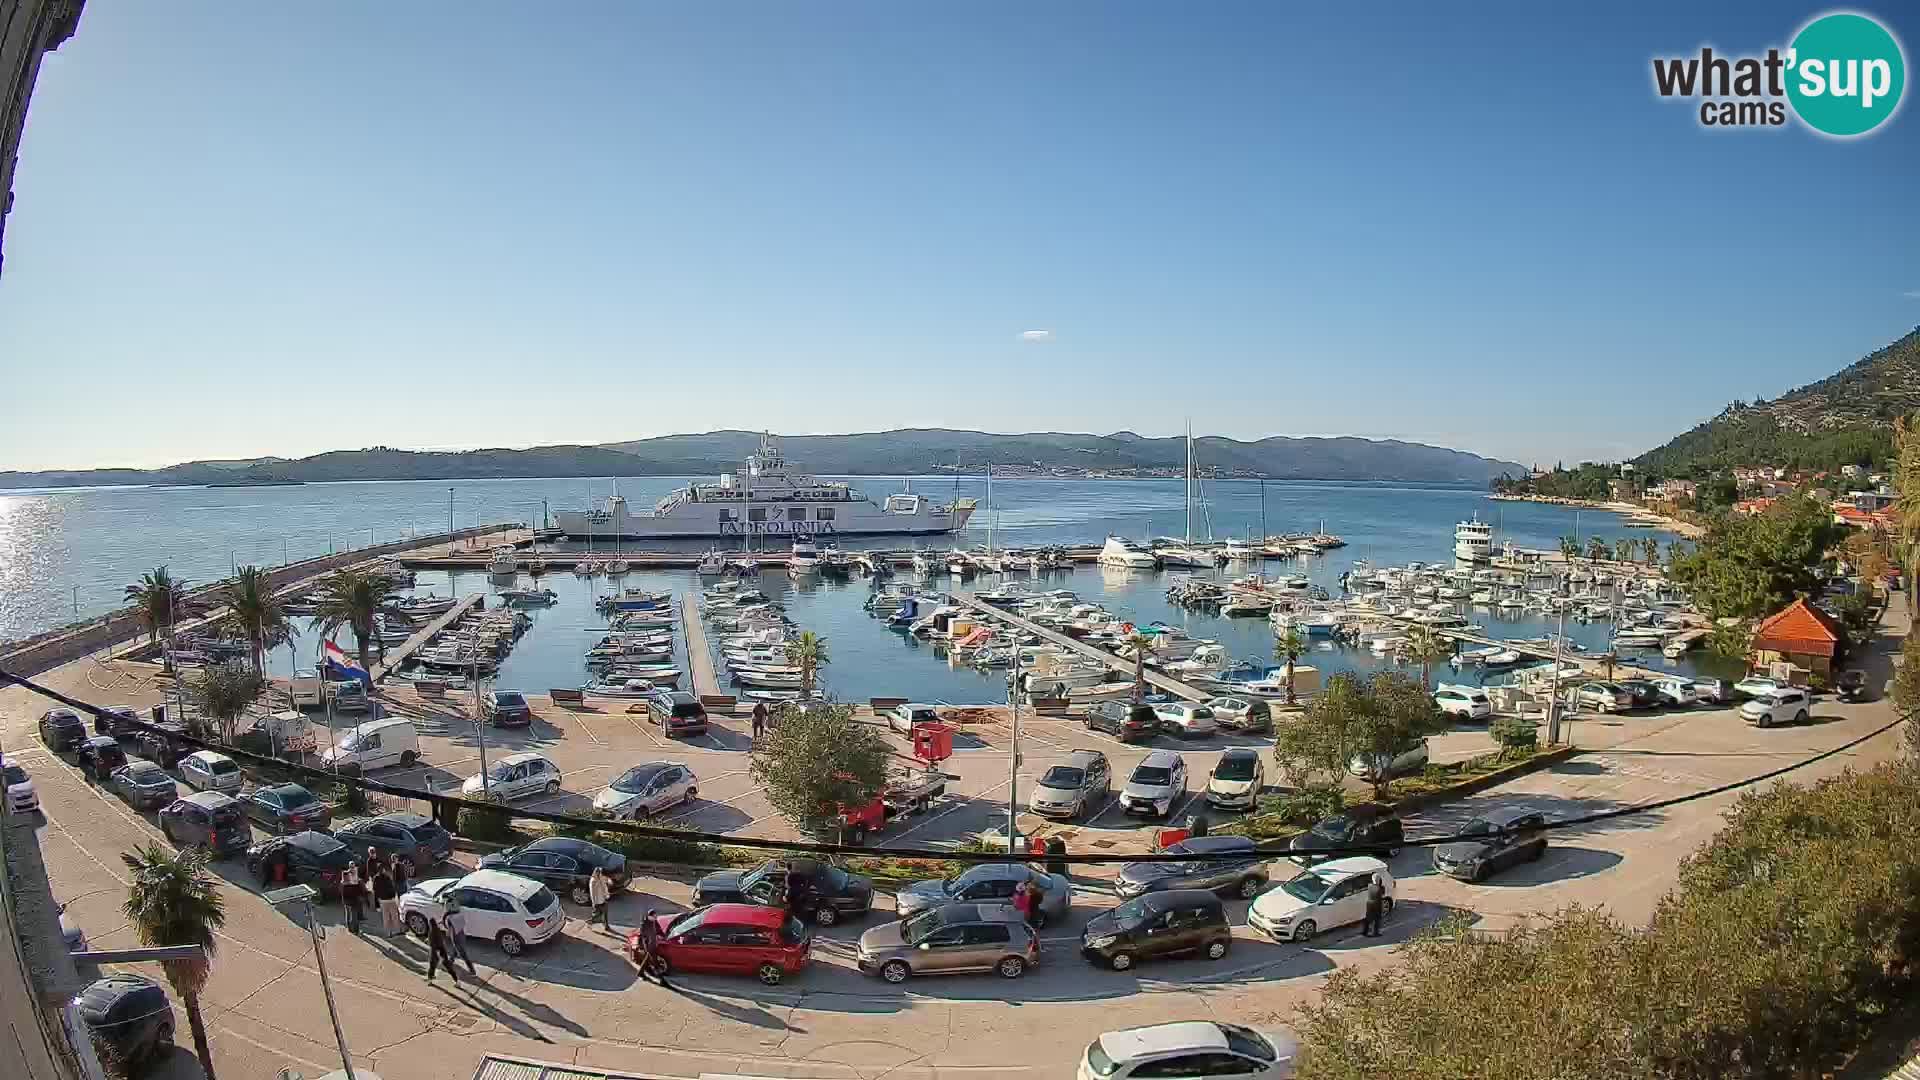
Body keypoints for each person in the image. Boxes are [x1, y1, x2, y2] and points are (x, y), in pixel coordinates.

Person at [442, 900, 476, 976]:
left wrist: (447, 931)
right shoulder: (459, 914)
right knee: (455, 950)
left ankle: (472, 970)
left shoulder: (449, 918)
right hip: (462, 935)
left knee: (463, 954)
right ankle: (450, 961)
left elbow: (448, 928)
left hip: (455, 937)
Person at [637, 908, 669, 987]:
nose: (656, 917)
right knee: (655, 963)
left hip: (654, 944)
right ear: (649, 916)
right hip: (649, 946)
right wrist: (642, 946)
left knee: (647, 959)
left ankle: (640, 973)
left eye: (656, 916)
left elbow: (658, 930)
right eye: (654, 916)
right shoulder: (645, 924)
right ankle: (662, 980)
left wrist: (663, 936)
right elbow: (642, 936)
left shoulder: (654, 921)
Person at [425, 914, 460, 984]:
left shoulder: (431, 934)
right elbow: (438, 922)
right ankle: (456, 981)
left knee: (432, 966)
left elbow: (432, 944)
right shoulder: (437, 930)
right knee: (448, 966)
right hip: (442, 949)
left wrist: (428, 942)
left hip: (435, 951)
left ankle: (430, 980)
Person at [371, 861, 400, 937]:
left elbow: (375, 892)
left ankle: (388, 933)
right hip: (390, 899)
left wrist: (377, 905)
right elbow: (392, 888)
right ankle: (396, 931)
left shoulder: (375, 878)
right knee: (394, 916)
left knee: (386, 918)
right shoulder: (387, 877)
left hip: (383, 900)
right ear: (383, 869)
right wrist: (395, 897)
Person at [340, 860, 364, 934]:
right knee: (354, 916)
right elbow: (357, 890)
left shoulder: (343, 880)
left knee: (348, 914)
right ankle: (355, 930)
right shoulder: (352, 882)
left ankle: (350, 929)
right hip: (353, 900)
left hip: (346, 900)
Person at [1361, 873, 1386, 937]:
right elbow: (1383, 893)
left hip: (1369, 903)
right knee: (1376, 919)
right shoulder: (1380, 888)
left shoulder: (1369, 886)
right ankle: (1375, 932)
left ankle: (1365, 931)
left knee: (1368, 918)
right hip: (1377, 904)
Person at [588, 865, 612, 932]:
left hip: (604, 899)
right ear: (596, 873)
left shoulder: (602, 878)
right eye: (599, 873)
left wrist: (609, 881)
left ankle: (606, 926)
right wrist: (594, 903)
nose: (600, 874)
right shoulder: (593, 881)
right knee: (597, 916)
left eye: (601, 873)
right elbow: (592, 893)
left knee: (605, 915)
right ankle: (591, 923)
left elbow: (608, 881)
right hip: (598, 902)